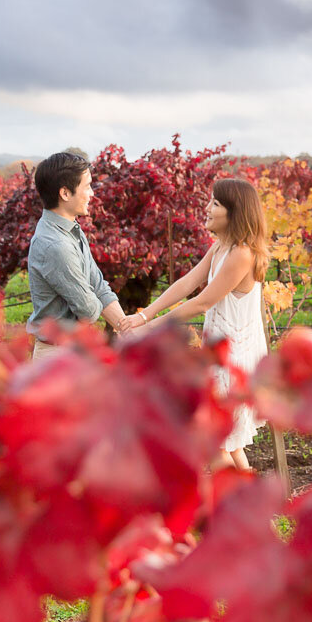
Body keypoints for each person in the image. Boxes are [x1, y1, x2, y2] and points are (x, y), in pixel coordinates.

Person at [122, 177, 269, 469]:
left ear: (234, 212)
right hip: (221, 354)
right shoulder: (222, 247)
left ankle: (237, 506)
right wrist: (144, 315)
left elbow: (203, 301)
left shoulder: (242, 254)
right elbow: (188, 283)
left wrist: (153, 326)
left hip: (233, 361)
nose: (207, 207)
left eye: (215, 203)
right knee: (229, 443)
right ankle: (252, 510)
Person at [26, 151, 129, 357]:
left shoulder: (71, 228)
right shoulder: (55, 245)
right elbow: (89, 311)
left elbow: (98, 285)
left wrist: (128, 329)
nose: (92, 193)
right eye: (88, 186)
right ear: (65, 193)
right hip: (55, 357)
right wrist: (93, 294)